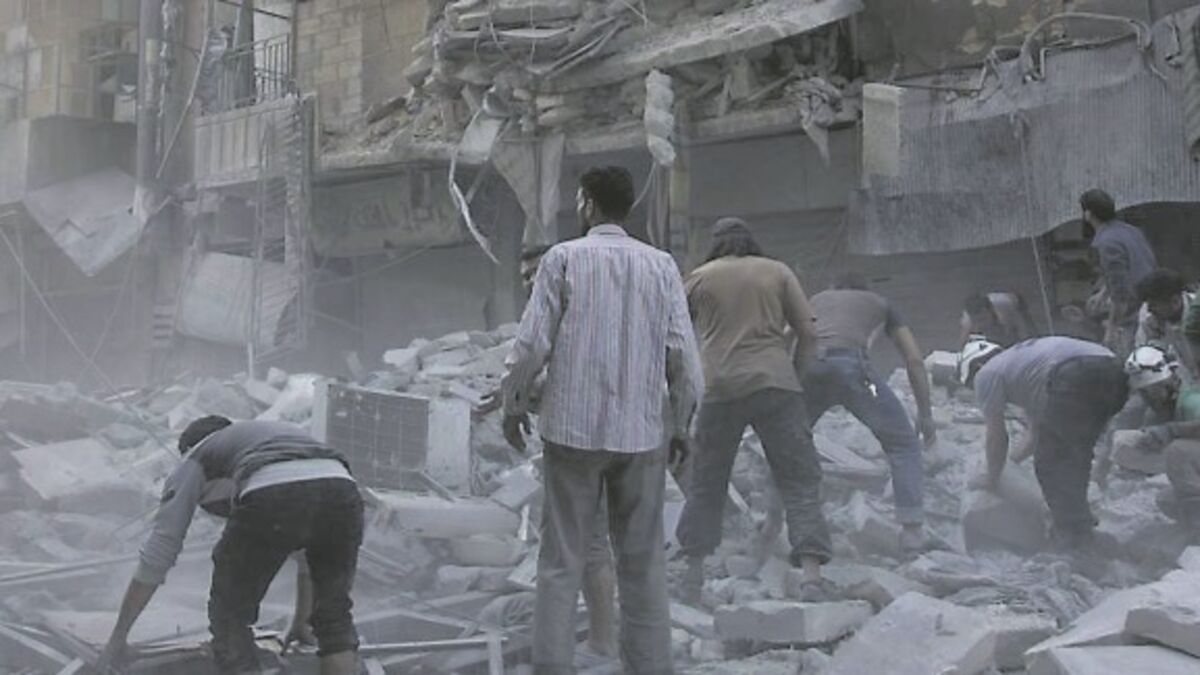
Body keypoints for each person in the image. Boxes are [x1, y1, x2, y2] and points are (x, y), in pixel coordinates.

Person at [501, 165, 703, 675]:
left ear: (587, 204)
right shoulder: (661, 265)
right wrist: (681, 424)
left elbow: (531, 345)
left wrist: (514, 402)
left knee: (560, 562)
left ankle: (552, 667)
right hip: (640, 434)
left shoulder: (562, 258)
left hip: (571, 433)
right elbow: (685, 358)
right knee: (643, 566)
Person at [97, 418, 363, 674]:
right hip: (343, 489)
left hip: (273, 490)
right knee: (334, 617)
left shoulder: (196, 456)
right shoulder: (269, 439)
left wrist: (118, 636)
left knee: (230, 619)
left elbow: (160, 551)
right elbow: (309, 551)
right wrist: (302, 621)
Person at [674, 217, 833, 603]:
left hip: (720, 388)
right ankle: (811, 578)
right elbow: (809, 333)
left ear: (715, 244)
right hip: (775, 383)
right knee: (799, 479)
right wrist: (795, 376)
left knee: (706, 482)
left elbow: (674, 334)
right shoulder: (777, 271)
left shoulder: (698, 278)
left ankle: (692, 576)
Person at [803, 273, 935, 554]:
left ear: (834, 287)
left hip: (811, 368)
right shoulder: (880, 303)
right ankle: (912, 532)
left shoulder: (816, 300)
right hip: (855, 371)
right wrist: (925, 415)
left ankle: (777, 522)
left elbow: (790, 340)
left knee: (792, 443)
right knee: (903, 444)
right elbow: (914, 359)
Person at [959, 336, 1128, 548]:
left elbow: (997, 436)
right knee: (1076, 452)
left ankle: (1072, 536)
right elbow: (1034, 435)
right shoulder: (1026, 370)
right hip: (1115, 372)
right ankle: (1080, 524)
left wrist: (991, 478)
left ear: (977, 367)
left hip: (1077, 373)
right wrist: (1010, 465)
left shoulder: (987, 373)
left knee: (1051, 462)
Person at [1120, 346, 1200, 527]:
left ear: (1169, 383)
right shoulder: (1160, 411)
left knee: (1178, 451)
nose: (1149, 397)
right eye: (1144, 392)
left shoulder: (1192, 401)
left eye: (1153, 390)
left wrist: (1171, 431)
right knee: (1168, 500)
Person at [1081, 188, 1157, 358]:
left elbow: (1120, 293)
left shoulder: (1106, 242)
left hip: (1136, 314)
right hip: (1151, 301)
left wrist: (1111, 329)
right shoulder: (1132, 230)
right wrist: (1102, 294)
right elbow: (1126, 270)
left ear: (1088, 214)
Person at [1135, 269, 1198, 381]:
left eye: (1154, 305)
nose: (1149, 310)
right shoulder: (1149, 321)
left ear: (1175, 301)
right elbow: (1141, 362)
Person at [960, 291, 1038, 347]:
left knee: (1029, 333)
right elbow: (962, 343)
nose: (982, 323)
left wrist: (1027, 342)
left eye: (984, 318)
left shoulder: (1005, 306)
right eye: (977, 321)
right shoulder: (967, 322)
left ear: (991, 310)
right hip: (997, 314)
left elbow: (1021, 325)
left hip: (1016, 302)